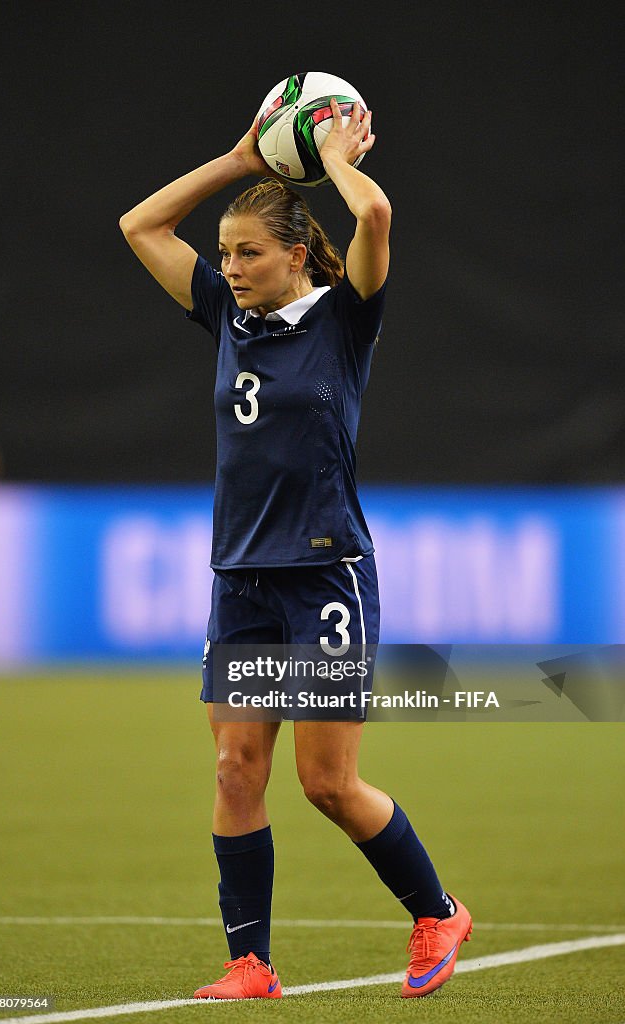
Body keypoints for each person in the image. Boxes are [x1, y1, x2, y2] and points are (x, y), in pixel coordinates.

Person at [119, 97, 471, 1001]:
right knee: (236, 770)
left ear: (299, 256)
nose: (228, 268)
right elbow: (140, 223)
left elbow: (377, 217)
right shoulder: (225, 318)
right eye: (225, 253)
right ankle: (251, 964)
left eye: (248, 253)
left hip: (323, 573)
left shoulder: (343, 319)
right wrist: (241, 159)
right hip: (239, 578)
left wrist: (334, 156)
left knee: (326, 785)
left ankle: (436, 911)